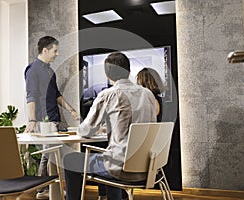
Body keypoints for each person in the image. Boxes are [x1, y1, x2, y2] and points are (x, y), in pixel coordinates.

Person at [63, 52, 157, 200]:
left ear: (107, 74)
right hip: (149, 167)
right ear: (128, 70)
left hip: (121, 169)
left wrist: (85, 128)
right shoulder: (148, 94)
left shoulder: (109, 94)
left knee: (70, 160)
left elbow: (86, 130)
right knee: (110, 154)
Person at [24, 36, 79, 199]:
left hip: (53, 117)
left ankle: (46, 188)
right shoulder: (33, 69)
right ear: (45, 50)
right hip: (42, 120)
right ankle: (42, 188)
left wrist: (71, 110)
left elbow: (57, 95)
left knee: (51, 155)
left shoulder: (50, 71)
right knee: (49, 155)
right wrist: (33, 120)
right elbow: (31, 96)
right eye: (55, 50)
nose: (57, 54)